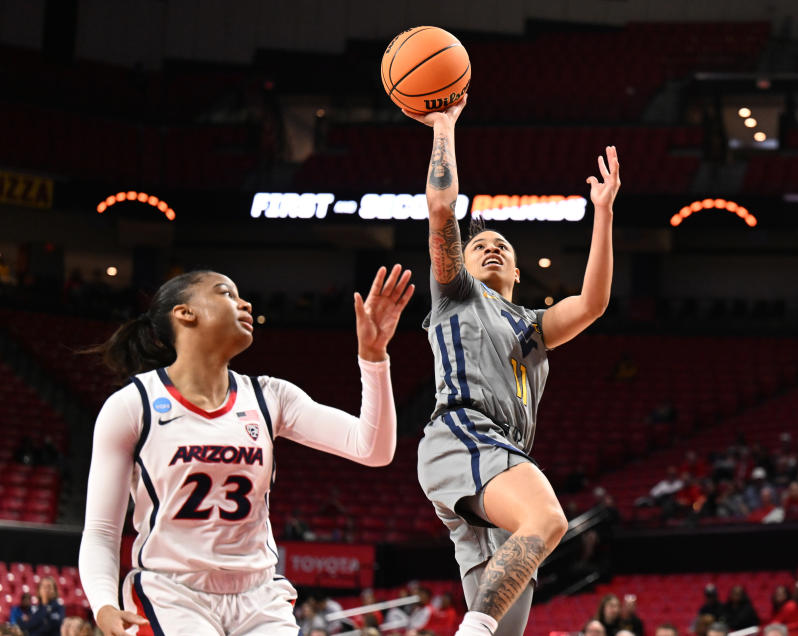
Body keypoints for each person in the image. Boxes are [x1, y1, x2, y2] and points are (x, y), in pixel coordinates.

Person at [78, 267, 414, 635]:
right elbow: (101, 529)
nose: (245, 303)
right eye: (226, 293)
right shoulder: (132, 404)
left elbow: (373, 448)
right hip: (172, 593)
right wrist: (104, 604)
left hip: (259, 595)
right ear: (184, 313)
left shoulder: (270, 396)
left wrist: (374, 357)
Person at [406, 94, 620, 636]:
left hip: (499, 459)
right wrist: (444, 126)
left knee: (507, 624)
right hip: (465, 434)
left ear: (520, 273)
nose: (492, 248)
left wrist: (603, 212)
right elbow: (440, 209)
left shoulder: (533, 325)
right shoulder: (456, 294)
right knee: (547, 520)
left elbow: (593, 305)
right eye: (480, 245)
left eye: (502, 244)